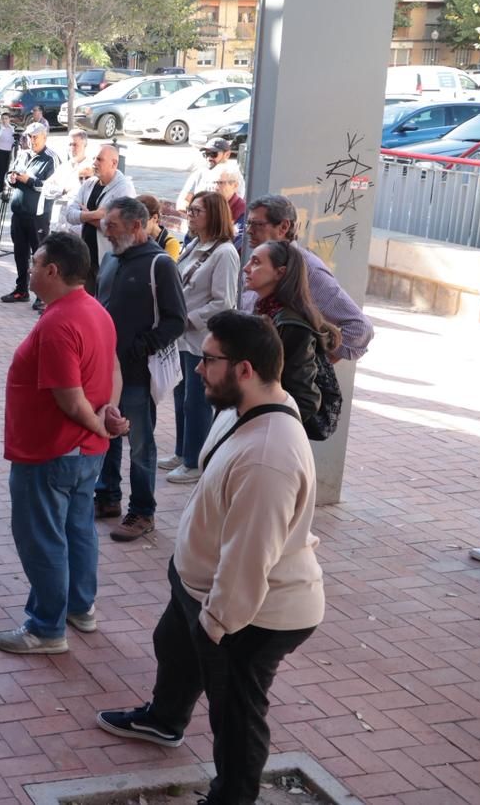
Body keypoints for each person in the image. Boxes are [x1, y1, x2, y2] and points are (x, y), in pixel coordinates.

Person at [97, 311, 323, 805]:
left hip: (250, 614)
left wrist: (216, 624)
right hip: (201, 587)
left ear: (245, 369)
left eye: (209, 360)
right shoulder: (242, 408)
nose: (197, 368)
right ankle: (164, 720)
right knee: (172, 647)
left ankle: (232, 798)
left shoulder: (268, 457)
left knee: (236, 714)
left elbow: (249, 560)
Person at [0, 232, 125, 655]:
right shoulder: (95, 310)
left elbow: (69, 398)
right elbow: (114, 369)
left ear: (52, 271)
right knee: (77, 529)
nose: (30, 269)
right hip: (82, 452)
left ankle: (46, 627)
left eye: (35, 263)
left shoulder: (58, 323)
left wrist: (98, 424)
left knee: (43, 537)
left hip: (53, 451)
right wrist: (107, 416)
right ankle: (79, 607)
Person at [94, 197, 186, 541]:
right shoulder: (111, 259)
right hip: (106, 369)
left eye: (112, 225)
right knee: (107, 433)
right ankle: (107, 497)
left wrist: (140, 348)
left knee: (140, 443)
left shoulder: (160, 264)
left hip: (137, 373)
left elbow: (176, 320)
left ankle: (143, 511)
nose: (106, 231)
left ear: (136, 226)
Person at [162, 191, 240, 485]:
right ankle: (182, 452)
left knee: (197, 402)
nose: (190, 216)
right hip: (182, 337)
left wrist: (189, 319)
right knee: (181, 397)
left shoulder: (225, 253)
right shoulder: (195, 244)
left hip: (201, 339)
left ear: (214, 215)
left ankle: (195, 461)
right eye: (190, 210)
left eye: (197, 211)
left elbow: (224, 302)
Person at [241, 195, 374, 361]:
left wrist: (314, 363)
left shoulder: (309, 269)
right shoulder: (256, 262)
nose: (249, 230)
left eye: (257, 224)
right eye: (248, 223)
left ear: (283, 227)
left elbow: (360, 329)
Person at [243, 241, 341, 431]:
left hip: (272, 431)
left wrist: (267, 426)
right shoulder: (267, 311)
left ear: (279, 273)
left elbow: (305, 400)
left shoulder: (290, 326)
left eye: (256, 262)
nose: (246, 268)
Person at [0, 122, 60, 304]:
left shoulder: (51, 158)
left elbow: (54, 187)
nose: (31, 140)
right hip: (19, 213)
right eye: (29, 137)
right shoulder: (23, 154)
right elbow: (9, 174)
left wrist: (29, 181)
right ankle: (21, 290)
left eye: (35, 137)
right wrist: (10, 178)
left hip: (38, 216)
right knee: (20, 254)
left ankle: (42, 296)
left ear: (44, 137)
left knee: (40, 256)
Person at [60, 144, 134, 271]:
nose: (94, 163)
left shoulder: (124, 188)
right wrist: (95, 214)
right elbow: (69, 215)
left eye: (99, 159)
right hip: (85, 257)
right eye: (94, 158)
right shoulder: (89, 183)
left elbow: (118, 228)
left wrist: (84, 216)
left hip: (108, 262)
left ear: (114, 163)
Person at [174, 138, 232, 214]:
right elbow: (183, 201)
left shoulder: (233, 177)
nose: (209, 158)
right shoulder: (199, 174)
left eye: (213, 154)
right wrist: (193, 213)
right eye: (206, 154)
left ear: (227, 154)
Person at [138, 194, 182, 261]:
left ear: (155, 218)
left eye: (142, 221)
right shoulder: (139, 237)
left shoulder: (171, 244)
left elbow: (167, 267)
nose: (137, 227)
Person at [209, 162, 246, 239]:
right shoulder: (207, 206)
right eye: (213, 183)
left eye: (220, 183)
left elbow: (237, 241)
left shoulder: (243, 210)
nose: (216, 187)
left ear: (235, 186)